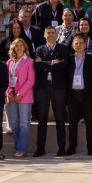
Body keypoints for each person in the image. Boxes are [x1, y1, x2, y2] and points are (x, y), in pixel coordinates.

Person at [33, 25, 69, 157]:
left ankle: (61, 147)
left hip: (58, 87)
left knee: (60, 117)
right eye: (48, 33)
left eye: (53, 32)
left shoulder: (63, 48)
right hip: (43, 87)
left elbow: (63, 64)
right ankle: (40, 148)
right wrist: (52, 63)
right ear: (44, 35)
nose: (51, 35)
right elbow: (36, 65)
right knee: (42, 118)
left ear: (56, 34)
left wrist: (44, 63)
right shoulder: (39, 49)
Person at [63, 36, 92, 156]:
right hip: (73, 94)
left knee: (89, 122)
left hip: (86, 93)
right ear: (72, 46)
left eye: (81, 43)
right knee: (72, 123)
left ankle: (90, 147)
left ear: (85, 45)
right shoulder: (68, 59)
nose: (79, 45)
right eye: (76, 43)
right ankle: (72, 146)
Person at [5, 38, 34, 159]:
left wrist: (20, 94)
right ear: (13, 48)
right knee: (14, 125)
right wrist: (10, 92)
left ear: (24, 47)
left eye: (21, 45)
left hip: (24, 97)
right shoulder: (9, 62)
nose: (19, 47)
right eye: (16, 45)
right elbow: (6, 79)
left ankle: (22, 150)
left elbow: (31, 80)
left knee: (24, 124)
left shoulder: (30, 61)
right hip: (11, 97)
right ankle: (17, 148)